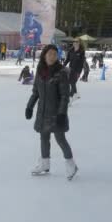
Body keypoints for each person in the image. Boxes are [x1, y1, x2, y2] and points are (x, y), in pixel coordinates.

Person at [25, 44, 78, 180]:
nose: (52, 56)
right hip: (43, 112)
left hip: (56, 113)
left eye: (55, 54)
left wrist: (61, 113)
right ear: (44, 55)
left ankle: (71, 164)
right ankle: (44, 164)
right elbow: (36, 92)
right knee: (44, 138)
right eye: (50, 54)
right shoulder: (40, 70)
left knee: (60, 139)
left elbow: (65, 96)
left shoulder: (61, 72)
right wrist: (29, 106)